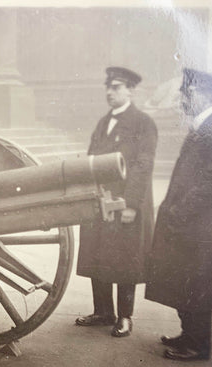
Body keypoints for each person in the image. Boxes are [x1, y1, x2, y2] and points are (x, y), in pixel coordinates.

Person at [146, 68, 212, 361]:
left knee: (196, 284)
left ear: (205, 94)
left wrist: (181, 212)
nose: (183, 97)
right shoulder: (202, 127)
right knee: (186, 281)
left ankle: (197, 344)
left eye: (188, 92)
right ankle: (189, 335)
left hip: (196, 226)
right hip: (188, 224)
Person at [75, 66, 158, 337]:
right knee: (98, 252)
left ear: (130, 90)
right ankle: (103, 311)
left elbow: (143, 166)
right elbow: (91, 160)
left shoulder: (143, 123)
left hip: (125, 202)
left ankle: (124, 316)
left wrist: (132, 204)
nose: (110, 92)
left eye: (117, 87)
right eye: (108, 87)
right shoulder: (103, 122)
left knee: (124, 259)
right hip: (100, 202)